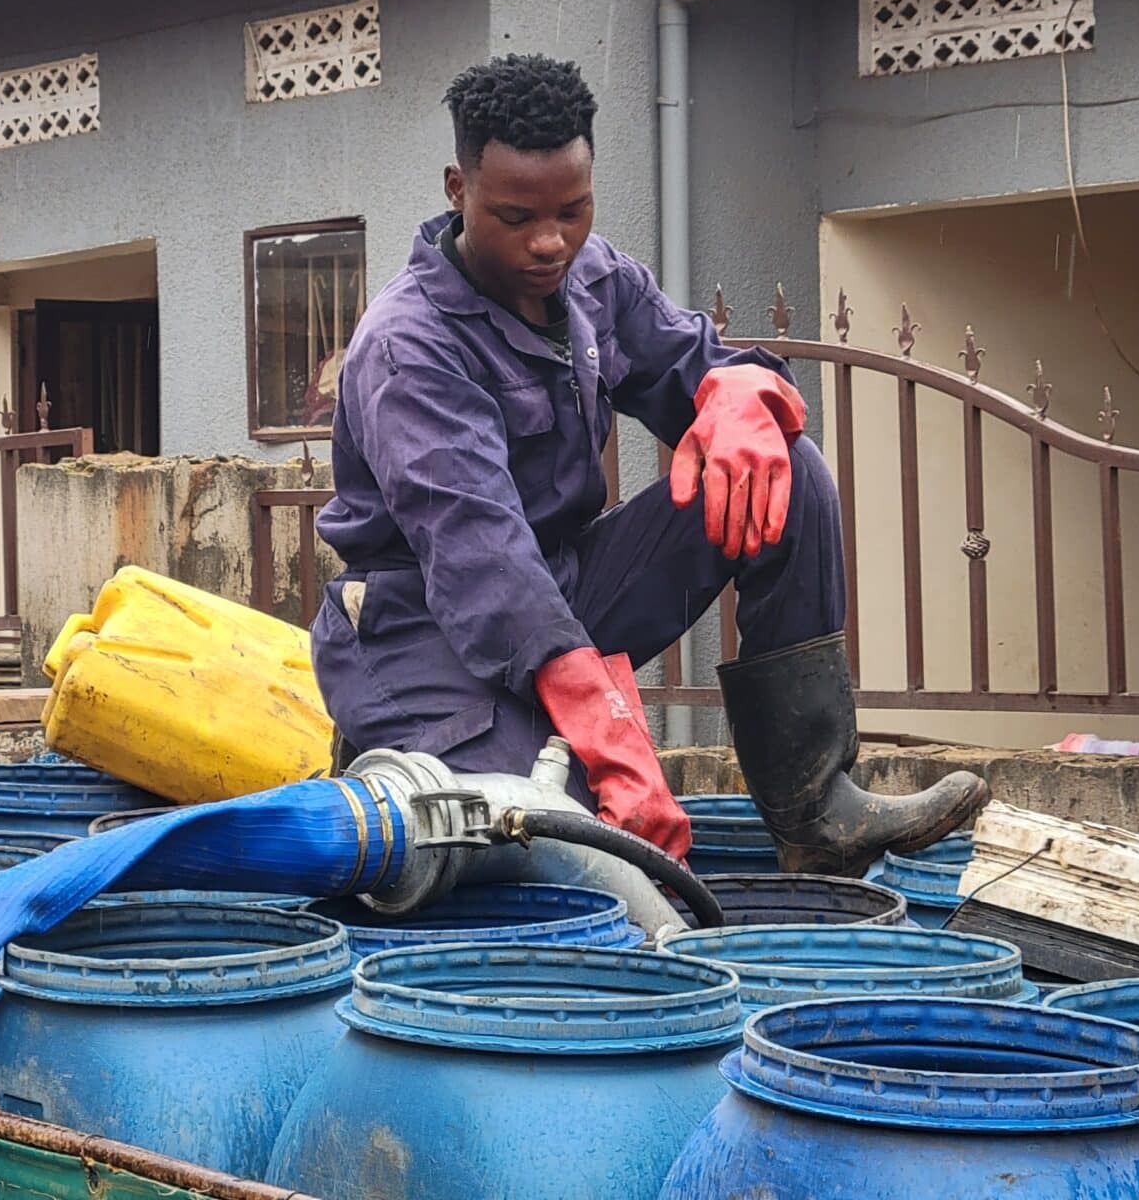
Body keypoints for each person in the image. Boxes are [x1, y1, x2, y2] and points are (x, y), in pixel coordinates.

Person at [311, 54, 985, 874]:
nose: (549, 241)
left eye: (573, 210)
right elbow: (481, 554)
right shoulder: (408, 346)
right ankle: (393, 745)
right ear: (459, 189)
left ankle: (815, 812)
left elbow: (699, 363)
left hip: (566, 584)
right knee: (550, 831)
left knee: (782, 466)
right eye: (516, 216)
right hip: (419, 626)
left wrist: (739, 391)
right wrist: (609, 736)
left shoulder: (596, 279)